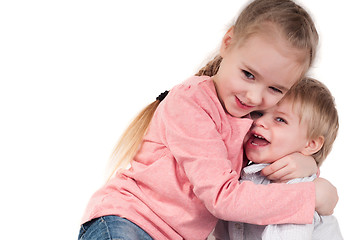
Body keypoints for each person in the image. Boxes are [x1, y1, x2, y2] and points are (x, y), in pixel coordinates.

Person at [78, 1, 338, 239]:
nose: (254, 96)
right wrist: (311, 196)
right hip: (129, 222)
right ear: (228, 42)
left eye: (275, 89)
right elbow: (223, 198)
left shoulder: (249, 116)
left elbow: (267, 158)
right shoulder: (191, 103)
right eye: (248, 74)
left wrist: (306, 165)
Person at [212, 77, 343, 240]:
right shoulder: (243, 174)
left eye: (280, 119)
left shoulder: (297, 188)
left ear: (311, 144)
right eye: (258, 113)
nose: (259, 121)